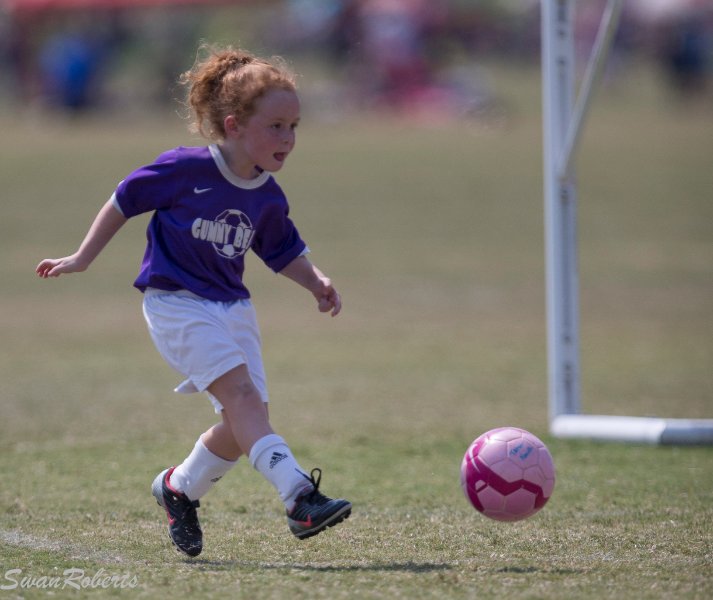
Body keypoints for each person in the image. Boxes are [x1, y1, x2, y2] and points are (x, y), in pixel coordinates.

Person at [35, 43, 352, 557]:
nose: (289, 138)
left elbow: (282, 249)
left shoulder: (267, 194)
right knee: (246, 404)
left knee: (243, 423)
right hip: (176, 303)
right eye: (276, 126)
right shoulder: (184, 170)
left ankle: (178, 488)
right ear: (233, 125)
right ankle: (299, 497)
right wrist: (82, 256)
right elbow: (123, 199)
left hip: (234, 308)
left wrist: (315, 281)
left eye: (294, 127)